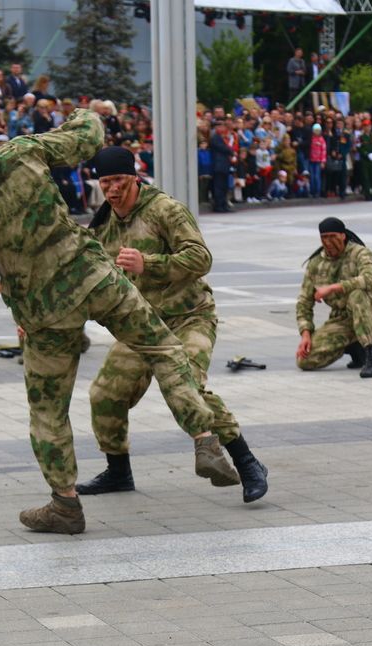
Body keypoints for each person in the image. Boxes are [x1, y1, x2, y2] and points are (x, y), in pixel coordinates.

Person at [0, 109, 233, 535]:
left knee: (49, 410)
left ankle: (65, 505)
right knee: (162, 347)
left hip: (43, 312)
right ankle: (204, 438)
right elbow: (89, 135)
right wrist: (87, 112)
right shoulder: (21, 152)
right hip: (95, 276)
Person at [78, 146, 268, 503]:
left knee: (187, 385)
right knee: (104, 395)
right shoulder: (103, 225)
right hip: (142, 324)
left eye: (118, 180)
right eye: (105, 182)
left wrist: (148, 264)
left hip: (189, 316)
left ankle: (247, 464)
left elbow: (201, 257)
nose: (112, 189)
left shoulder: (164, 209)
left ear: (134, 177)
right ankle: (118, 472)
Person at [295, 217, 372, 379]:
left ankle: (370, 355)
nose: (328, 242)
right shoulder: (316, 263)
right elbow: (304, 302)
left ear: (343, 236)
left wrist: (333, 288)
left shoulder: (360, 253)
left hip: (370, 311)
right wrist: (306, 334)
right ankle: (353, 347)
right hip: (342, 318)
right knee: (304, 360)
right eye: (324, 237)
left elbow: (371, 280)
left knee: (356, 295)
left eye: (332, 237)